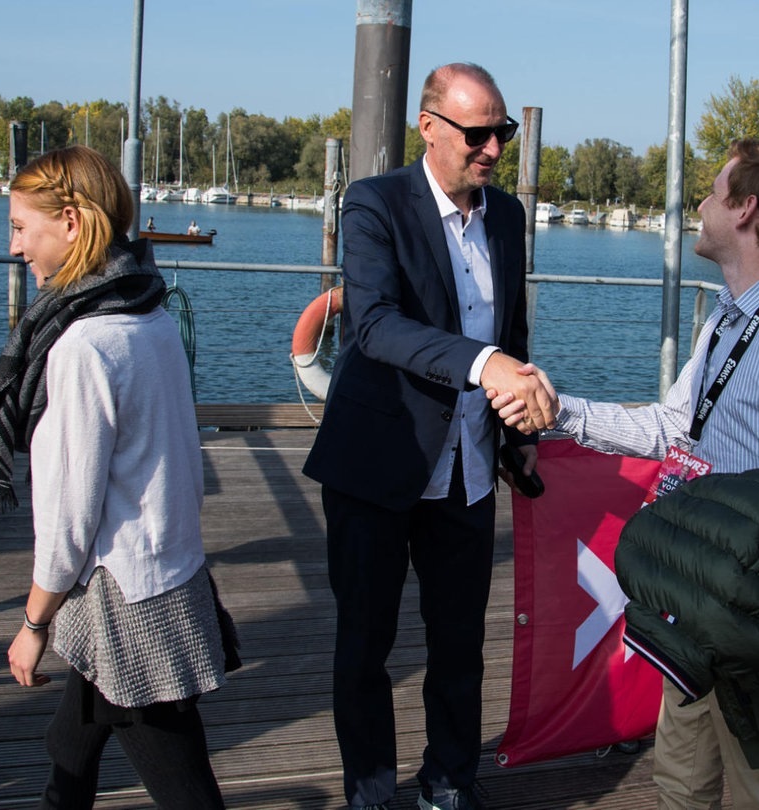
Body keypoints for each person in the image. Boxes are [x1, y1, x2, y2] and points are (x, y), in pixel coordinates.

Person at [494, 140, 759, 808]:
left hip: (752, 603)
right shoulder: (729, 320)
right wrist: (557, 413)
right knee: (680, 778)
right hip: (700, 594)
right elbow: (674, 430)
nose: (698, 204)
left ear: (745, 210)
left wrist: (747, 566)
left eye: (712, 190)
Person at [302, 62, 555, 810]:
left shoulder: (506, 216)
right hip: (379, 463)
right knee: (365, 648)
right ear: (430, 127)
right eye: (478, 134)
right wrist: (487, 365)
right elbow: (375, 325)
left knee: (458, 645)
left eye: (501, 133)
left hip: (469, 470)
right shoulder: (373, 205)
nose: (493, 149)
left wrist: (516, 436)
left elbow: (510, 325)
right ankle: (372, 795)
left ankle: (449, 782)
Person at [0, 145, 232, 809]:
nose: (16, 247)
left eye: (22, 227)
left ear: (72, 223)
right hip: (165, 565)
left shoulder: (81, 345)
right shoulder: (149, 310)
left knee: (182, 783)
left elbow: (69, 516)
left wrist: (34, 622)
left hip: (124, 598)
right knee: (72, 748)